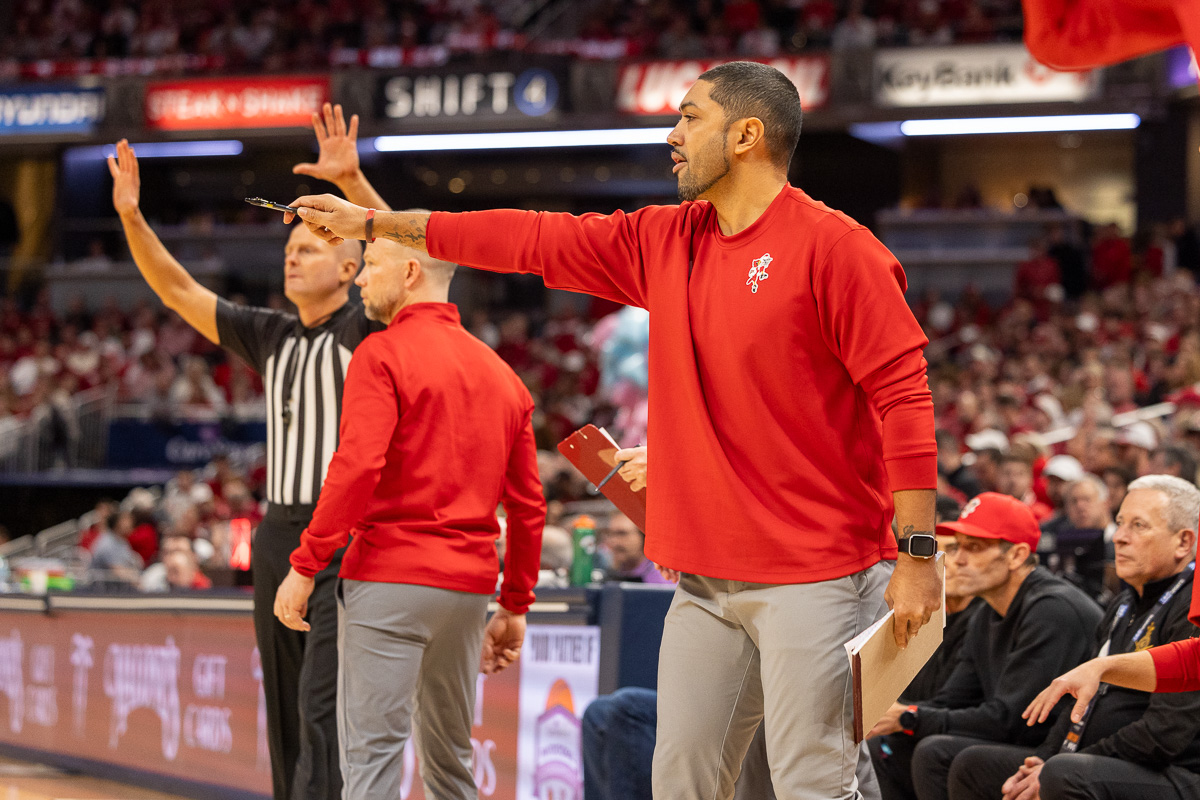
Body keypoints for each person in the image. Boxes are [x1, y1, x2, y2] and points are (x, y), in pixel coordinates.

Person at [286, 60, 941, 799]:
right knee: (681, 783)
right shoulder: (663, 240)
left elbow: (905, 400)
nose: (673, 135)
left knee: (811, 785)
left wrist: (918, 553)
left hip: (818, 572)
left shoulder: (838, 249)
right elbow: (527, 238)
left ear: (746, 135)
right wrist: (373, 223)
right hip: (704, 578)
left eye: (690, 117)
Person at [107, 102, 389, 800]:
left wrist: (352, 186)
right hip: (276, 536)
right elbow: (178, 290)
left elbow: (413, 258)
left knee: (323, 706)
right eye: (289, 249)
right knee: (288, 708)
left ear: (350, 266)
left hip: (347, 537)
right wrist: (132, 218)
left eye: (310, 248)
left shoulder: (368, 328)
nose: (292, 255)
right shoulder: (271, 335)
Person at [273, 236, 545, 800]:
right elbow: (527, 507)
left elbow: (358, 466)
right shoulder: (504, 376)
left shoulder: (381, 353)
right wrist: (515, 603)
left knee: (372, 761)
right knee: (451, 765)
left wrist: (306, 563)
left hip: (389, 577)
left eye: (372, 265)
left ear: (411, 272)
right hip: (467, 591)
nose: (361, 278)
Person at [954, 475, 1200, 800]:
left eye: (1138, 526)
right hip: (1092, 758)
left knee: (1064, 775)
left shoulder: (1189, 605)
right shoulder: (1123, 604)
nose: (1120, 537)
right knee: (966, 764)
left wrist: (1058, 764)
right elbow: (1080, 702)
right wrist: (1044, 758)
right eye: (1120, 523)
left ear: (1183, 542)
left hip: (1174, 771)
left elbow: (1165, 733)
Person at [867, 492, 1102, 800]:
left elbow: (1013, 721)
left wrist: (910, 716)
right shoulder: (986, 612)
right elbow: (952, 699)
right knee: (889, 745)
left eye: (974, 548)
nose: (958, 559)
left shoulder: (1053, 610)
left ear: (1017, 555)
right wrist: (895, 714)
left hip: (1061, 753)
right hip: (1017, 738)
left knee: (938, 753)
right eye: (958, 546)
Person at [866, 530, 982, 800]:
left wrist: (908, 715)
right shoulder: (920, 617)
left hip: (956, 731)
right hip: (927, 723)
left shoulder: (981, 619)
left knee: (916, 750)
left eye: (955, 550)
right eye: (939, 553)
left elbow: (960, 702)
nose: (950, 562)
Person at [599, 509, 673, 583]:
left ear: (643, 536)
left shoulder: (662, 580)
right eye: (610, 534)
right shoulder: (607, 575)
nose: (614, 541)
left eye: (622, 533)